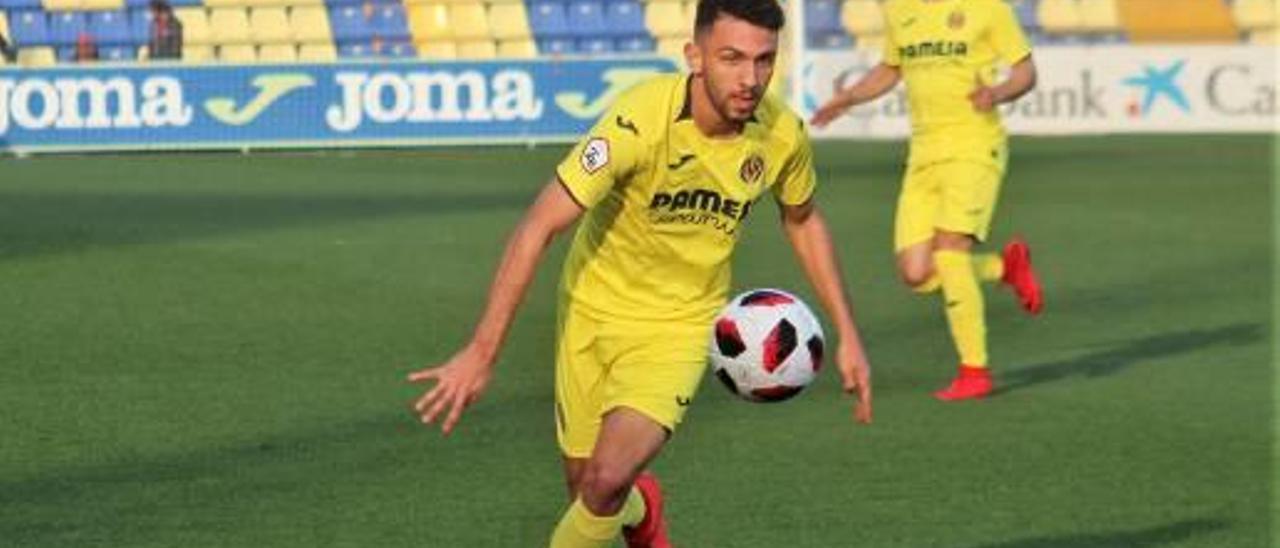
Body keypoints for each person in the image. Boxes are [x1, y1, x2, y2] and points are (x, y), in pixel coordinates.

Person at [407, 0, 873, 545]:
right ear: (694, 56)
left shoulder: (781, 135)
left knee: (604, 482)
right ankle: (642, 511)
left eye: (764, 60)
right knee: (589, 488)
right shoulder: (638, 122)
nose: (750, 78)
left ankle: (624, 501)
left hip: (680, 327)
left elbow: (803, 219)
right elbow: (538, 225)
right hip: (591, 310)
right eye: (732, 58)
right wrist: (482, 352)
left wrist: (849, 334)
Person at [811, 0, 1043, 401]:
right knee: (916, 272)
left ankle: (975, 370)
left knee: (950, 250)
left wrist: (998, 92)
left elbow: (1026, 71)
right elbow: (890, 69)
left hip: (974, 146)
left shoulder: (987, 8)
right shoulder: (900, 9)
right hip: (923, 154)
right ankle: (1005, 267)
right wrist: (848, 98)